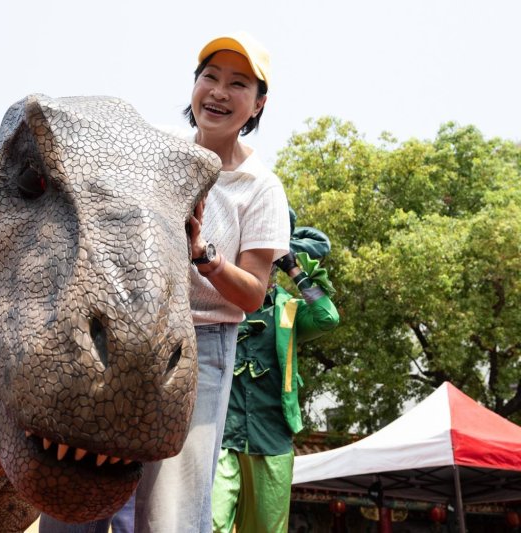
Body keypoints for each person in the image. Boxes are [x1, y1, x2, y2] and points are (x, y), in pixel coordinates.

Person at [39, 30, 289, 532]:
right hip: (121, 329)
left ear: (259, 103)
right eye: (209, 77)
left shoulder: (261, 188)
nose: (218, 92)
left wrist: (206, 257)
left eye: (238, 84)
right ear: (193, 86)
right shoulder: (151, 148)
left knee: (171, 509)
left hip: (202, 346)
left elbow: (255, 292)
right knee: (74, 484)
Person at [211, 209, 340, 533]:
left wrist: (295, 268)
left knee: (268, 528)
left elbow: (327, 317)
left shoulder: (290, 312)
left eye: (266, 261)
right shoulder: (219, 306)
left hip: (271, 436)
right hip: (222, 435)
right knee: (209, 522)